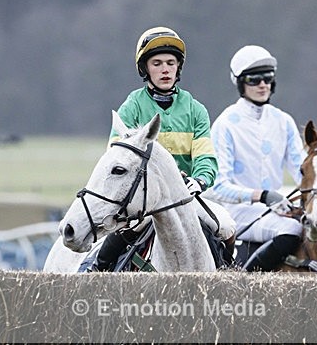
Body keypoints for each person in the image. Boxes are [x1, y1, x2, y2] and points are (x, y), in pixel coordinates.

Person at [91, 26, 235, 270]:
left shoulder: (196, 110)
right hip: (144, 198)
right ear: (144, 68)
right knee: (121, 233)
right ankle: (97, 272)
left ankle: (228, 277)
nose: (165, 69)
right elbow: (116, 157)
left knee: (225, 226)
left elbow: (205, 158)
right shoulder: (132, 106)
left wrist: (199, 181)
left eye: (171, 62)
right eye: (157, 63)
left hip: (186, 198)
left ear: (179, 67)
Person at [209, 44, 304, 271]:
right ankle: (245, 281)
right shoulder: (225, 124)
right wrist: (262, 196)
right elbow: (217, 187)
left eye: (267, 78)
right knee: (293, 230)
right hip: (236, 213)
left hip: (275, 210)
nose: (263, 84)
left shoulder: (284, 121)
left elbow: (302, 171)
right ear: (241, 83)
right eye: (254, 79)